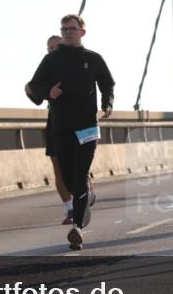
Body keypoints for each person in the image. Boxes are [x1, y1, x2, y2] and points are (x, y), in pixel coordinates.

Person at [26, 14, 114, 251]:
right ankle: (85, 195)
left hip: (86, 125)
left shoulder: (93, 59)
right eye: (63, 29)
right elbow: (32, 88)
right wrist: (47, 93)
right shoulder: (52, 59)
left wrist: (107, 103)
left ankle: (76, 227)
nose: (66, 32)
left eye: (71, 29)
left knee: (79, 173)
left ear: (82, 32)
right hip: (61, 126)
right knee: (66, 176)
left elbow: (107, 83)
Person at [26, 35, 74, 224]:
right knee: (57, 167)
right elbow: (33, 90)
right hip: (54, 121)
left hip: (76, 120)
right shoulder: (46, 68)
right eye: (50, 47)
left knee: (77, 164)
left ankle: (85, 193)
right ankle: (70, 210)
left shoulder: (75, 64)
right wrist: (42, 91)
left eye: (58, 46)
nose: (54, 50)